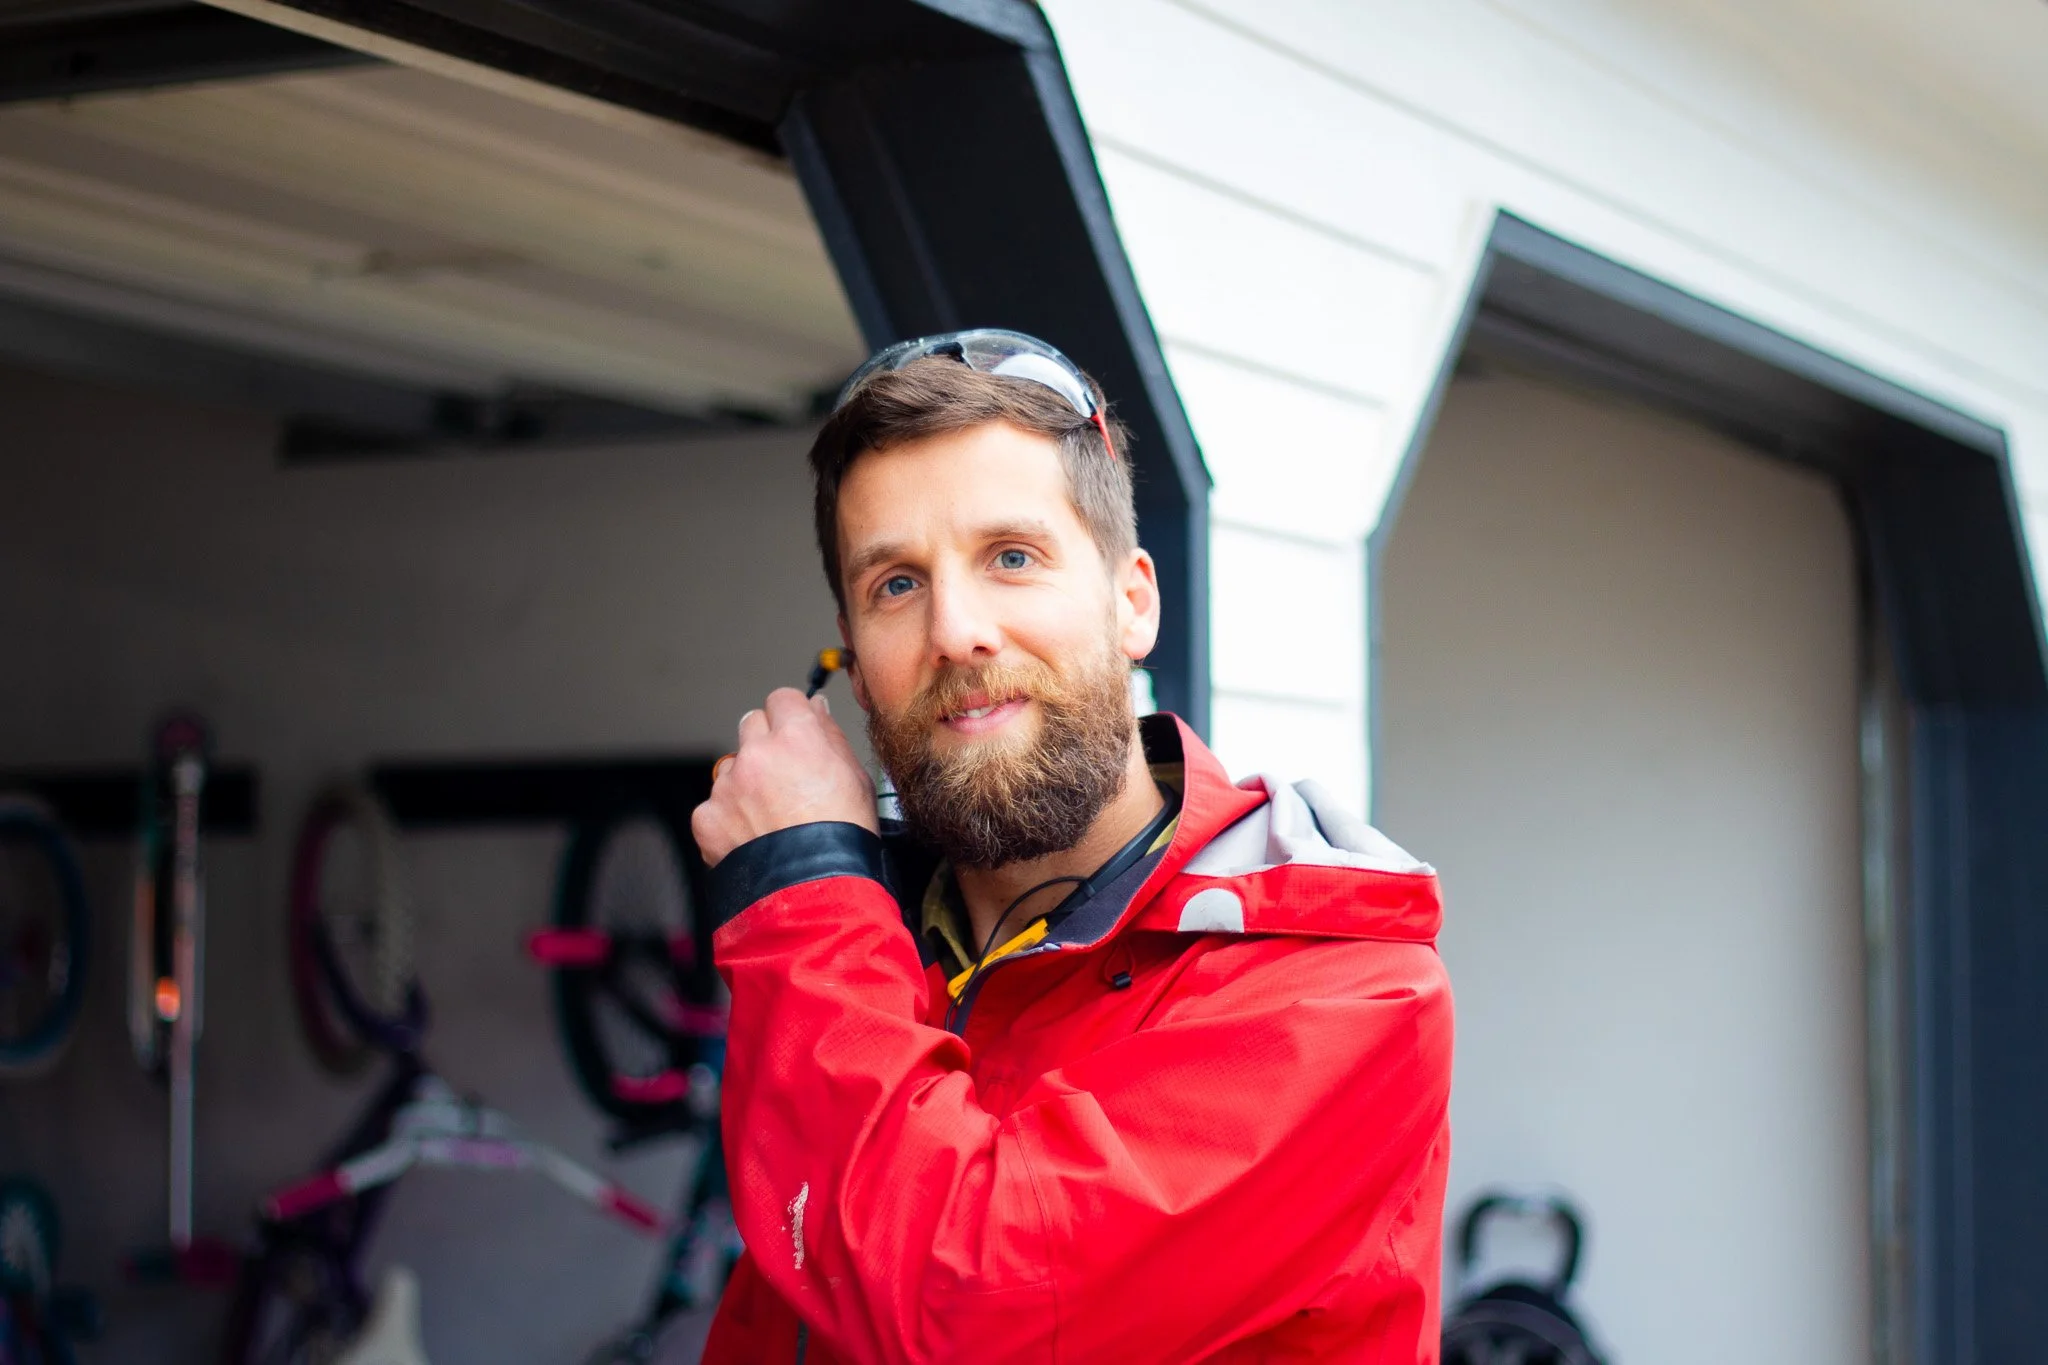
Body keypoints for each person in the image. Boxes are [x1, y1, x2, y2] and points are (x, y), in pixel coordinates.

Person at [691, 330, 1453, 1364]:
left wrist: (802, 887)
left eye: (1012, 557)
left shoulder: (1342, 992)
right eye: (896, 585)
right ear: (856, 666)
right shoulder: (873, 955)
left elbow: (967, 1312)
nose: (956, 630)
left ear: (1131, 602)